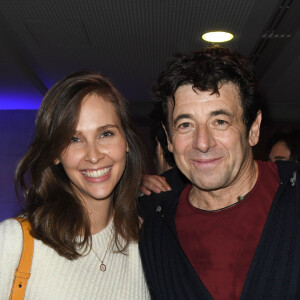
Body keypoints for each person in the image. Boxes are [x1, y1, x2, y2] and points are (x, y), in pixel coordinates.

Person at [139, 46, 300, 299]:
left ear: (253, 128)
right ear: (168, 138)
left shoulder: (293, 195)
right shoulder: (152, 231)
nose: (202, 142)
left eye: (220, 122)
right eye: (185, 125)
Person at [0, 71, 150, 299]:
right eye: (74, 139)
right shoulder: (13, 242)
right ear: (56, 154)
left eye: (106, 133)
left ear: (126, 142)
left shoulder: (146, 242)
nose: (93, 155)